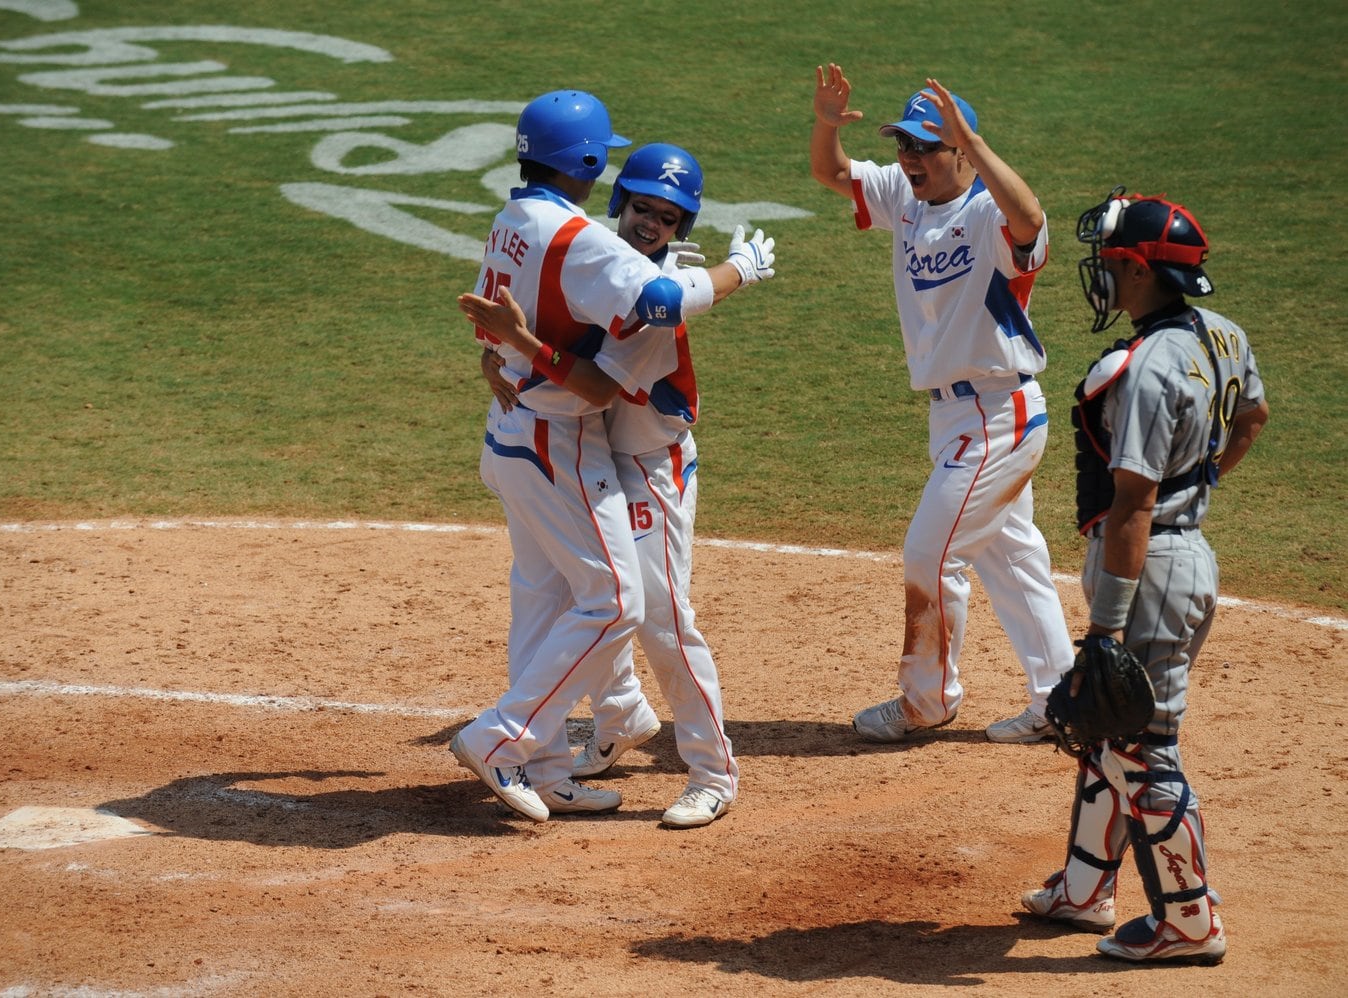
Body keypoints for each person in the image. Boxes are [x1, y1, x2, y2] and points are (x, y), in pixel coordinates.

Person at [449, 91, 774, 822]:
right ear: (611, 189)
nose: (651, 222)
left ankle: (713, 772)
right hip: (587, 450)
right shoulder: (593, 255)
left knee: (657, 615)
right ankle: (583, 739)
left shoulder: (593, 262)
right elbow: (530, 319)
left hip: (650, 466)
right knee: (579, 600)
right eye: (641, 207)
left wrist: (519, 354)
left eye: (668, 217)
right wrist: (504, 357)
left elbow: (599, 372)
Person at [1020, 189, 1267, 965]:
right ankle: (1086, 888)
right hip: (1181, 555)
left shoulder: (1149, 368)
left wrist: (1104, 628)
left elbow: (1132, 502)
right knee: (1108, 730)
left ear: (1136, 269)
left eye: (1111, 262)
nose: (1101, 272)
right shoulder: (1222, 335)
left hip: (1148, 564)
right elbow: (1253, 418)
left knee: (1140, 747)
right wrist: (1203, 484)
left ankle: (1189, 920)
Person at [809, 65, 1071, 744]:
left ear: (962, 151)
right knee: (1012, 561)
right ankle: (1064, 702)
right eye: (906, 145)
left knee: (930, 555)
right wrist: (829, 124)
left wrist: (977, 147)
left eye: (928, 146)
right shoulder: (904, 196)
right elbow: (832, 174)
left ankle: (927, 701)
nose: (910, 159)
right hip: (955, 415)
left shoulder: (989, 214)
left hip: (998, 415)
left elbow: (1033, 219)